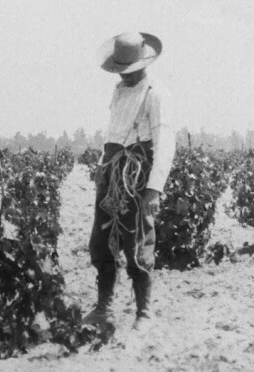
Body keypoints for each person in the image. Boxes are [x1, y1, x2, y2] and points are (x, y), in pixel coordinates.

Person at [85, 32, 175, 336]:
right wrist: (101, 166)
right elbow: (113, 133)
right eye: (121, 70)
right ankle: (104, 308)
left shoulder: (156, 94)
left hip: (137, 174)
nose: (125, 75)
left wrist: (154, 188)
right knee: (102, 239)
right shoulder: (119, 91)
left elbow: (165, 141)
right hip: (112, 169)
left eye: (130, 69)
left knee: (136, 241)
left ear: (143, 62)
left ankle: (144, 312)